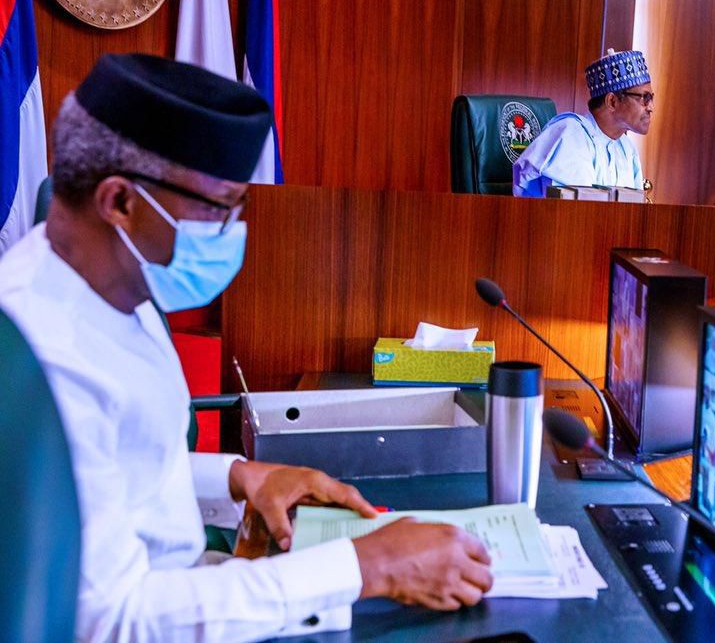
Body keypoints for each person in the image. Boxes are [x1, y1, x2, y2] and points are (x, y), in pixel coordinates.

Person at [0, 54, 492, 641]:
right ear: (120, 202)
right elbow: (111, 620)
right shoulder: (41, 358)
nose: (233, 230)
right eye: (216, 209)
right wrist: (369, 566)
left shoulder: (113, 284)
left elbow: (115, 468)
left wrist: (238, 476)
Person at [512, 48, 653, 197]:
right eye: (644, 97)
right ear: (612, 101)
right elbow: (576, 213)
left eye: (651, 98)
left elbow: (632, 211)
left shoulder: (626, 147)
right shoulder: (571, 134)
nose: (651, 107)